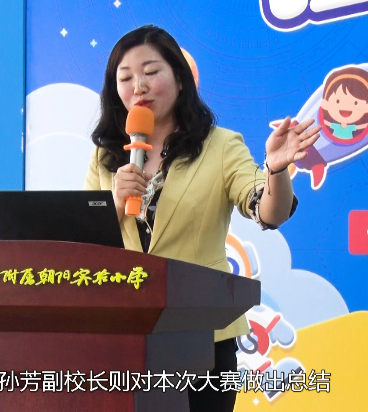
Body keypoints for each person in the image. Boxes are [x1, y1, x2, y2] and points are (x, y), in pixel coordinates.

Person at [84, 25, 320, 412]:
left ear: (180, 79)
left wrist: (276, 169)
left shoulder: (220, 146)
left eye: (151, 72)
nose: (138, 86)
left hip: (202, 335)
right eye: (125, 78)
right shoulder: (106, 157)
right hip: (126, 337)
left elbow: (267, 210)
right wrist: (113, 202)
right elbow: (83, 245)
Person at [319, 66, 368, 140]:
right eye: (338, 101)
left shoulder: (352, 127)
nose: (345, 107)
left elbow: (359, 127)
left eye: (355, 103)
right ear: (325, 104)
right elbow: (325, 124)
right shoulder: (334, 126)